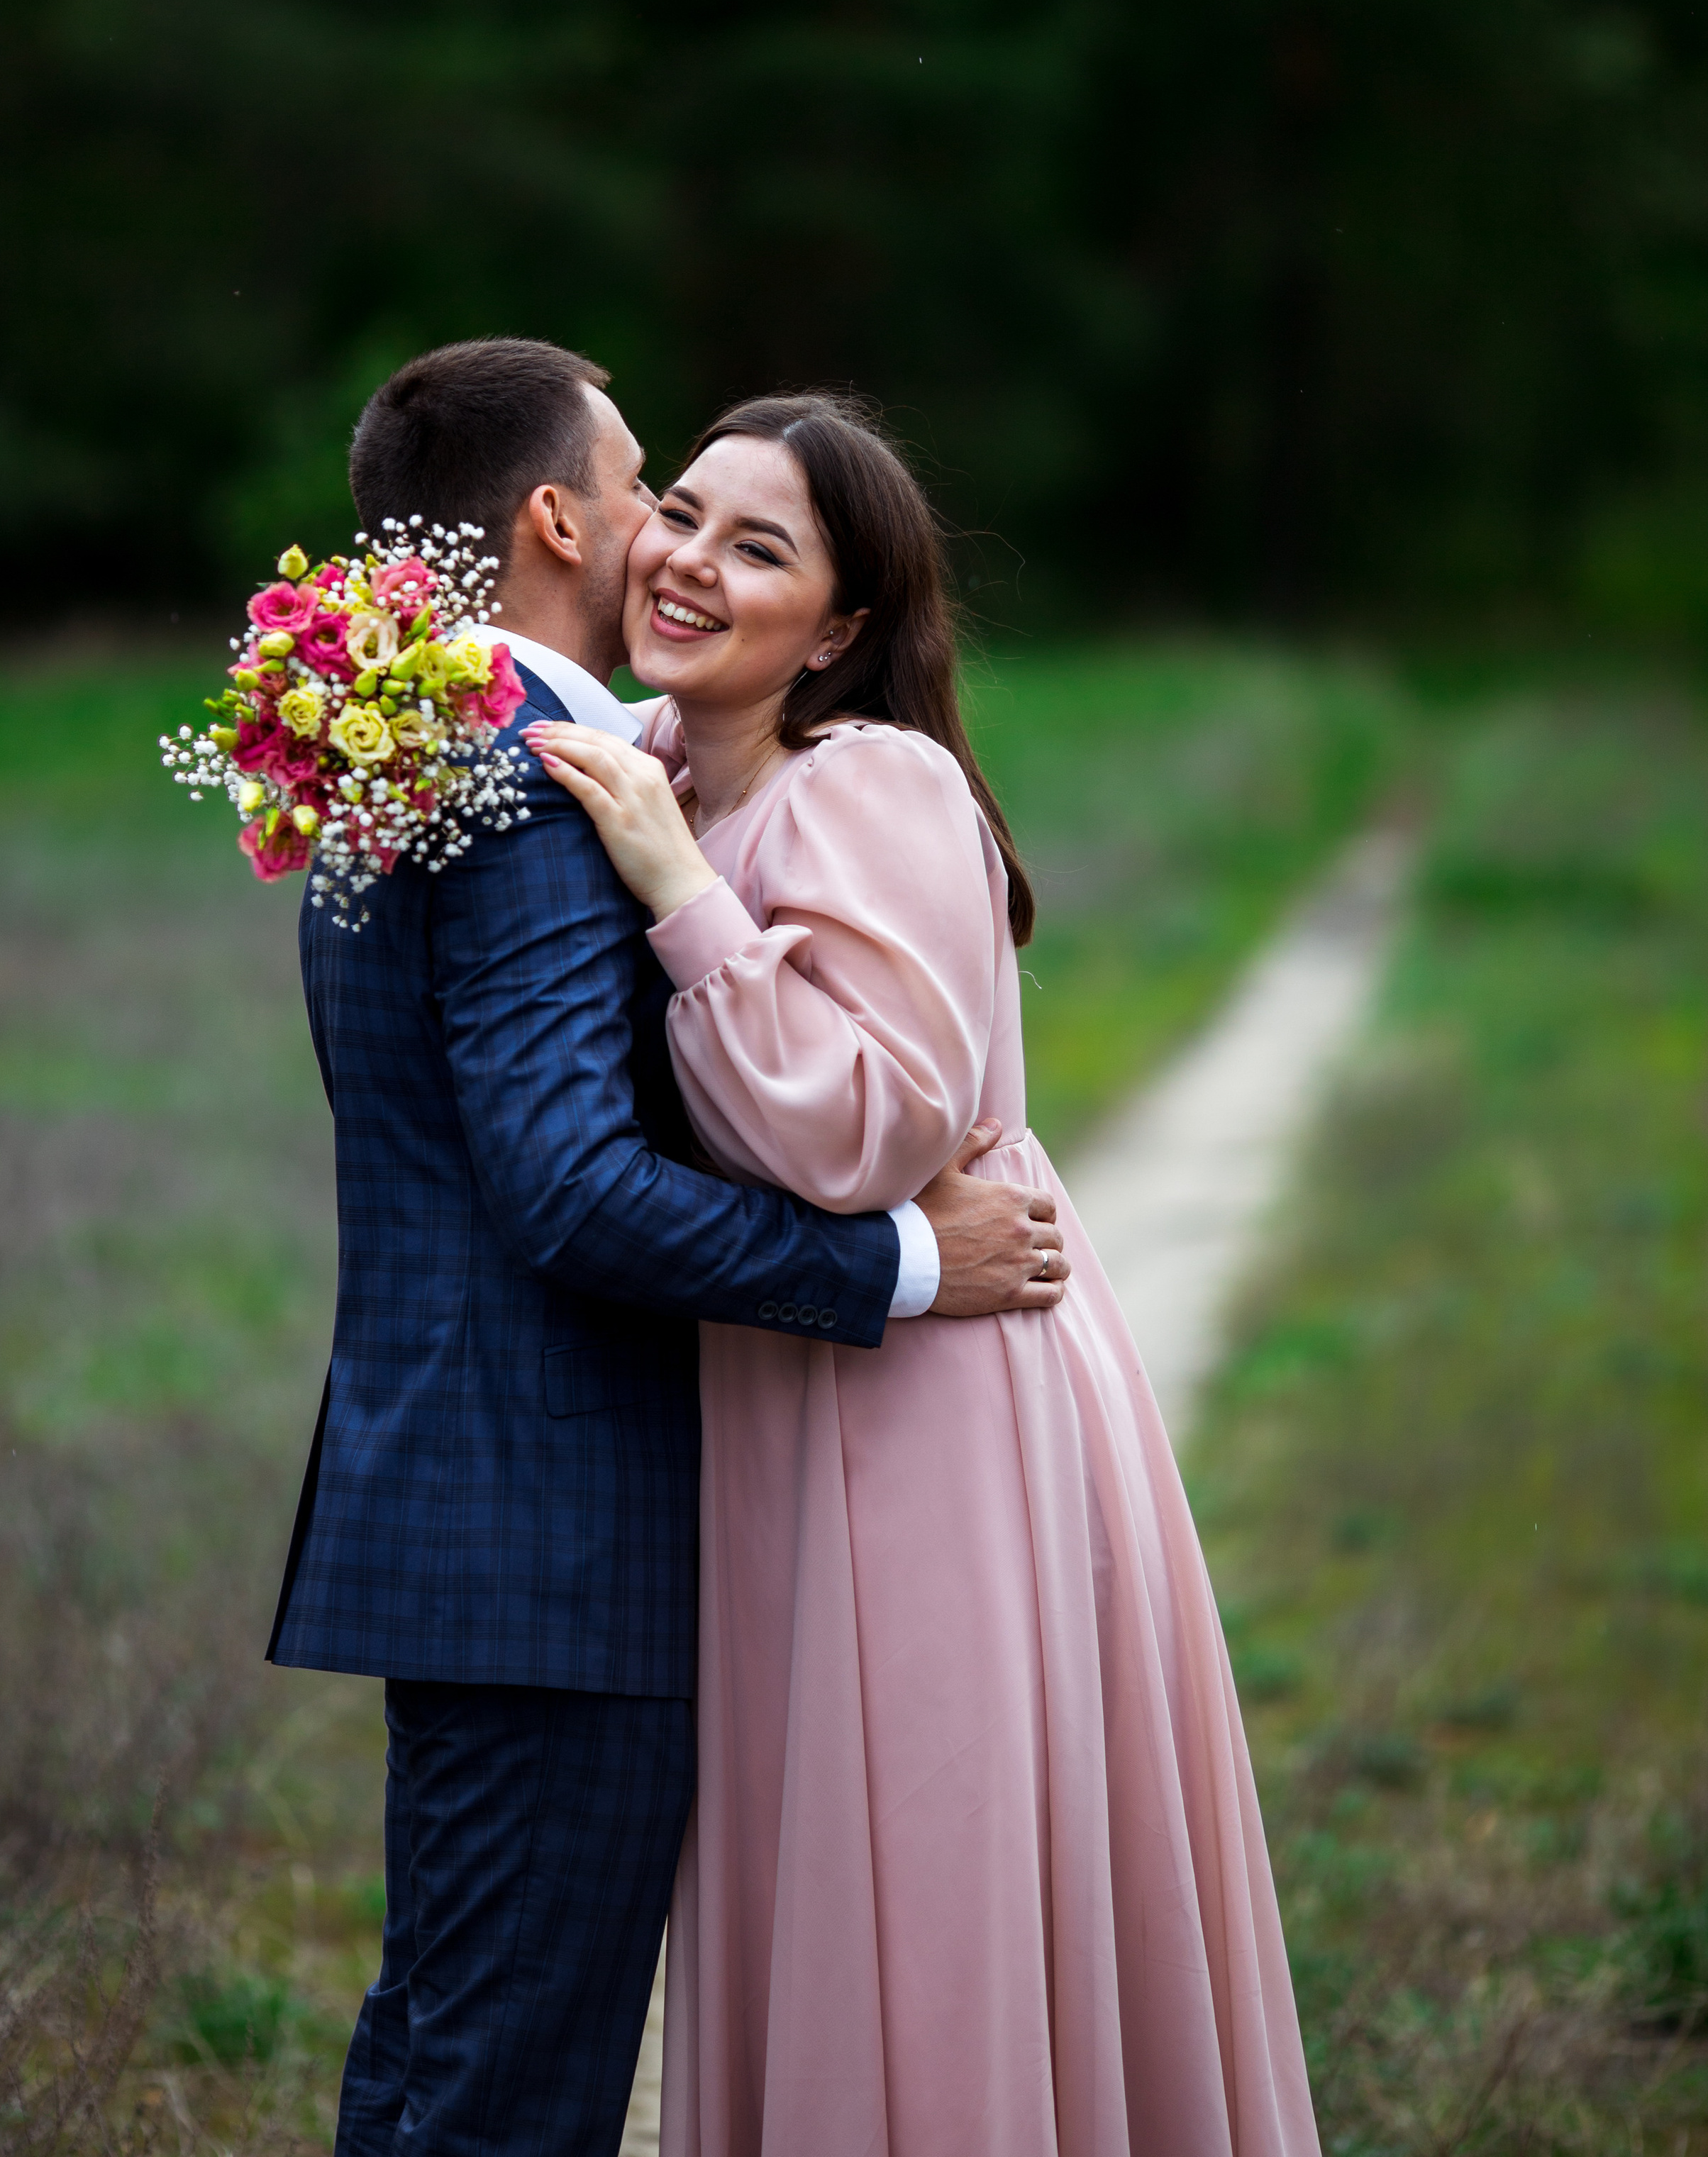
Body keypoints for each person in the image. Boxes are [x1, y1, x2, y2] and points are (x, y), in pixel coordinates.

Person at [264, 338, 1069, 2157]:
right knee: (501, 2094)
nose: (662, 537)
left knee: (440, 2049)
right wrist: (904, 1268)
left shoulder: (419, 739)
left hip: (464, 1501)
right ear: (556, 514)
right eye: (646, 489)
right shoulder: (533, 784)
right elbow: (563, 1188)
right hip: (552, 1535)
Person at [530, 393, 1322, 2157]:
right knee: (806, 1869)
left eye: (763, 549)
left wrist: (680, 894)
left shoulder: (866, 782)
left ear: (845, 627)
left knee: (920, 1877)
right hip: (770, 1395)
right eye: (684, 514)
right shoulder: (645, 760)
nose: (687, 562)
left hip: (921, 1412)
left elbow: (862, 1130)